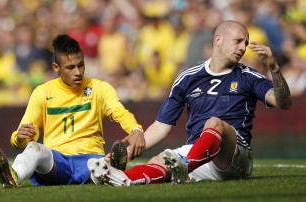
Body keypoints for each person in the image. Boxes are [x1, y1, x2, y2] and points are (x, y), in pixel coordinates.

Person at [87, 20, 292, 186]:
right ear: (218, 39)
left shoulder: (249, 76)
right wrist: (132, 148)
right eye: (238, 41)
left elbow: (283, 103)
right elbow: (160, 126)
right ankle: (117, 178)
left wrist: (274, 67)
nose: (243, 48)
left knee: (214, 123)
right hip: (198, 154)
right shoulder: (187, 78)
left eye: (245, 44)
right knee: (157, 161)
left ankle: (184, 166)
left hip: (234, 156)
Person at [0, 34, 145, 188]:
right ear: (56, 68)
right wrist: (19, 138)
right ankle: (14, 176)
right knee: (33, 148)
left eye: (81, 65)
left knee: (99, 165)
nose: (77, 72)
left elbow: (120, 112)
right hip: (57, 163)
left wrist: (136, 129)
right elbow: (21, 136)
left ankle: (107, 172)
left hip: (89, 158)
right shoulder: (43, 92)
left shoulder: (99, 88)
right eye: (70, 67)